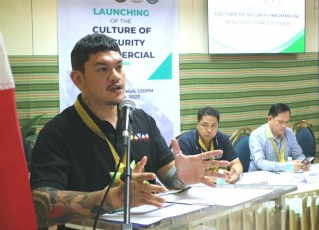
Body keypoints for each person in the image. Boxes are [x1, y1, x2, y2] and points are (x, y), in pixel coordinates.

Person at [29, 33, 229, 229]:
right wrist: (114, 197)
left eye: (119, 67)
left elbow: (169, 176)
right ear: (78, 79)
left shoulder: (142, 120)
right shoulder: (57, 133)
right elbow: (40, 206)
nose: (115, 76)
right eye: (102, 69)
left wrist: (182, 177)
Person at [178, 106, 243, 183]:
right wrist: (217, 178)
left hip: (221, 187)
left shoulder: (223, 139)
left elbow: (236, 163)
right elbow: (185, 175)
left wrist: (235, 173)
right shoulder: (186, 141)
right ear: (197, 124)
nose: (209, 130)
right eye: (204, 125)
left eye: (213, 126)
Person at [249, 103, 309, 172]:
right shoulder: (257, 135)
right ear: (270, 119)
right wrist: (287, 166)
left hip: (283, 176)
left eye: (286, 122)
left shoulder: (289, 133)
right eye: (280, 122)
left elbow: (298, 155)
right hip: (260, 179)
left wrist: (304, 163)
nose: (284, 126)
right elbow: (260, 163)